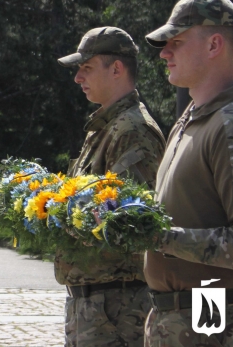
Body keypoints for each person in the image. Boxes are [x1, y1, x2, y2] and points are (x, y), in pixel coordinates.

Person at [142, 0, 233, 347]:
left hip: (214, 319)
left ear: (214, 45)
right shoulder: (192, 119)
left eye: (176, 42)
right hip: (177, 318)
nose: (164, 52)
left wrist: (158, 236)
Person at [55, 26, 165, 347]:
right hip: (95, 304)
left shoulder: (133, 130)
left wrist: (62, 215)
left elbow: (125, 222)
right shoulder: (106, 128)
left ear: (116, 68)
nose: (78, 78)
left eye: (86, 68)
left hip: (117, 305)